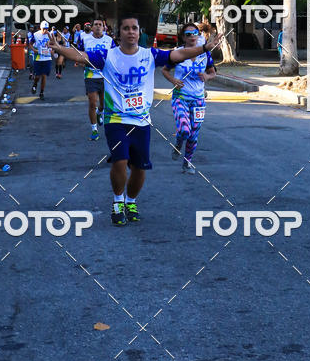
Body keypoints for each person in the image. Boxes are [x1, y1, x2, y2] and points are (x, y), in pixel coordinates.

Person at [49, 13, 222, 226]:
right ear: (119, 34)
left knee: (140, 168)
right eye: (126, 28)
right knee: (120, 160)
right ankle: (117, 201)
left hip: (141, 121)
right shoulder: (108, 56)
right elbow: (80, 56)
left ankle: (131, 201)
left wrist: (205, 48)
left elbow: (179, 54)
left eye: (134, 28)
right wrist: (59, 49)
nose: (131, 31)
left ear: (139, 33)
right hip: (116, 119)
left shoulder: (150, 55)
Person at [161, 22, 216, 173]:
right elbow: (165, 71)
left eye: (195, 33)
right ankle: (178, 143)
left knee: (194, 133)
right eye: (188, 34)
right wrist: (174, 81)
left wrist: (207, 76)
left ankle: (187, 162)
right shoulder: (177, 53)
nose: (192, 36)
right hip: (181, 97)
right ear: (183, 37)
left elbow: (213, 73)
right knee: (185, 129)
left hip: (198, 99)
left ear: (199, 35)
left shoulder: (205, 54)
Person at [77, 17, 115, 141]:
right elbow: (79, 53)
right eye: (96, 24)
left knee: (103, 104)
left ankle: (100, 112)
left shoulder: (109, 40)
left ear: (104, 28)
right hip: (90, 76)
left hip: (105, 76)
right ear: (92, 27)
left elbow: (116, 56)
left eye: (100, 25)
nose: (98, 26)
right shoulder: (85, 39)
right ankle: (94, 130)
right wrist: (81, 61)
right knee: (92, 102)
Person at [29, 21, 52, 99]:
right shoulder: (36, 35)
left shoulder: (49, 34)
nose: (45, 30)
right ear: (40, 28)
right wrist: (34, 50)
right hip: (38, 58)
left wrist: (49, 35)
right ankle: (35, 84)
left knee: (44, 76)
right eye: (44, 29)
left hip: (47, 57)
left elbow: (53, 43)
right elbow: (30, 44)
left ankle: (41, 92)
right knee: (38, 76)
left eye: (47, 29)